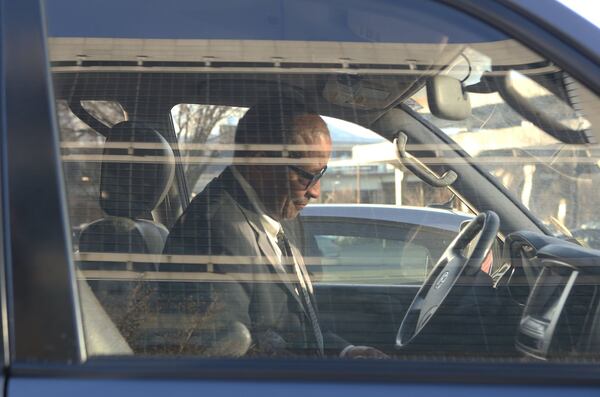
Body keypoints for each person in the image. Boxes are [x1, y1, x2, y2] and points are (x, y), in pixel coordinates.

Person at [164, 99, 386, 358]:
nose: (316, 191)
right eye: (306, 175)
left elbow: (295, 326)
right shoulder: (211, 231)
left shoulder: (281, 211)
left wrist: (346, 353)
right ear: (258, 161)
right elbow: (231, 353)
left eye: (321, 173)